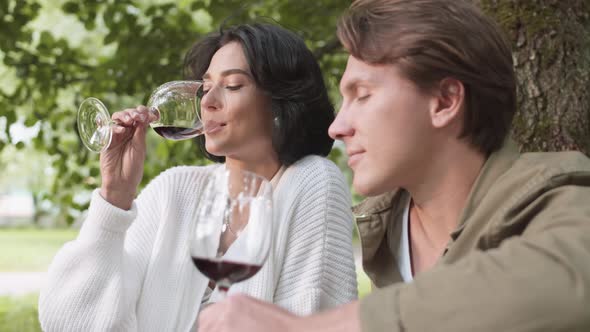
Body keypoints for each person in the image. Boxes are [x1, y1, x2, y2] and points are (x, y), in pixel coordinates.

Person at [196, 1, 590, 331]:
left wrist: (304, 327)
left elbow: (574, 274)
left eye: (362, 96)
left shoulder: (550, 189)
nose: (338, 126)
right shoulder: (384, 229)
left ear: (445, 101)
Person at [38, 23, 358, 331]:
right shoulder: (174, 191)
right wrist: (115, 197)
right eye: (205, 87)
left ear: (281, 103)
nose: (207, 101)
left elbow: (313, 320)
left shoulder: (312, 182)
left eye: (232, 86)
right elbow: (70, 324)